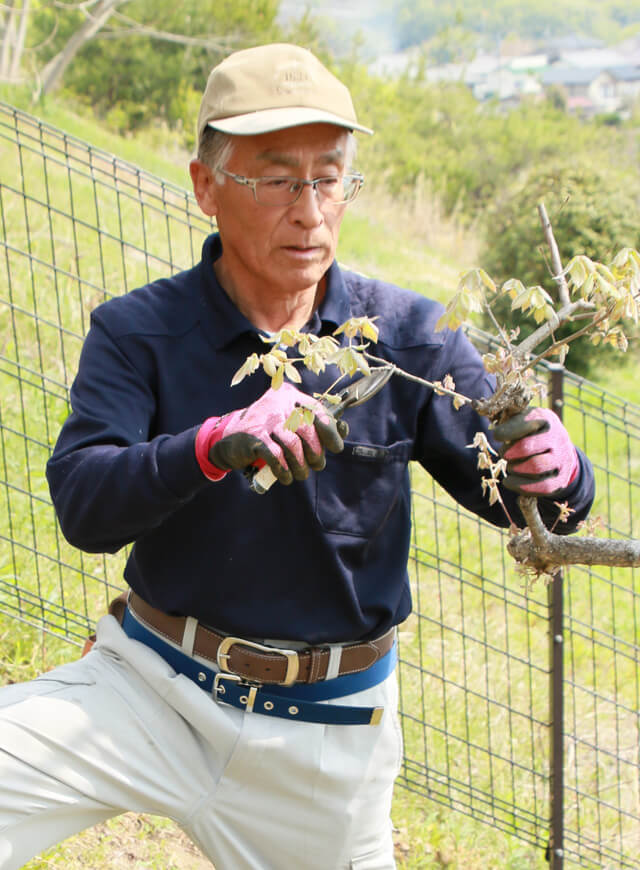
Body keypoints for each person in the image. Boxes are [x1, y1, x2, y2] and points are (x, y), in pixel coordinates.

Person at [0, 43, 594, 870]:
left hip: (327, 739)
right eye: (277, 179)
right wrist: (211, 443)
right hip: (149, 690)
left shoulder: (411, 341)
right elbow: (84, 505)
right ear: (207, 186)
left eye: (329, 177)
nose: (310, 210)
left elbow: (538, 506)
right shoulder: (139, 332)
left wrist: (555, 472)